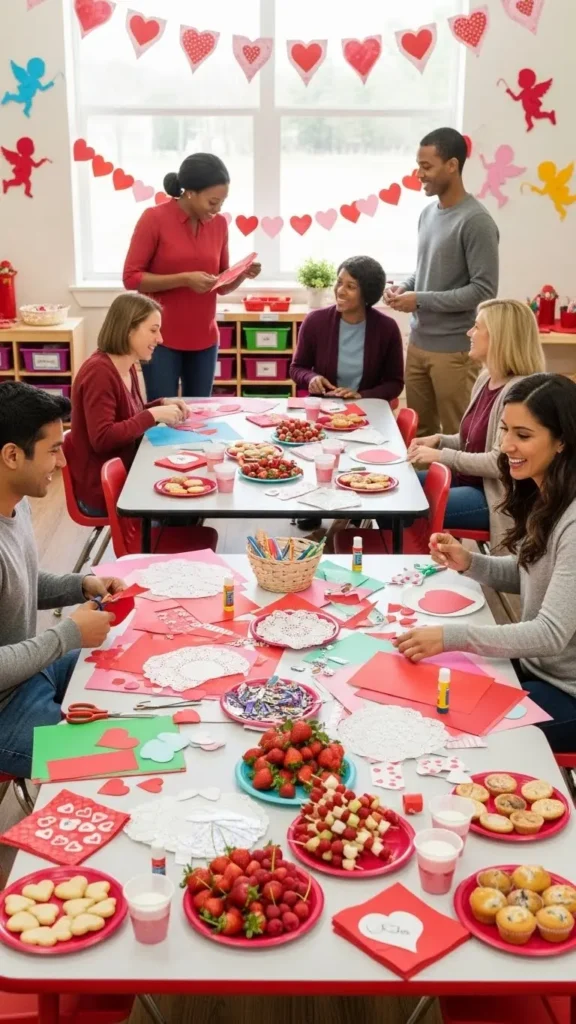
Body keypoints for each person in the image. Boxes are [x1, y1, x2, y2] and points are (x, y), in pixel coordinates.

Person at [394, 374, 576, 754]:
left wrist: (450, 638)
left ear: (562, 441)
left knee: (449, 727)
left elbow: (549, 633)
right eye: (506, 430)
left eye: (523, 436)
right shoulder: (545, 495)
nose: (506, 445)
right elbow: (530, 574)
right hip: (536, 669)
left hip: (566, 693)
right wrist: (469, 562)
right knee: (431, 693)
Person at [0, 382, 124, 778]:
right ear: (12, 455)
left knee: (127, 668)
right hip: (4, 712)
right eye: (54, 450)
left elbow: (19, 581)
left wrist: (81, 584)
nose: (63, 463)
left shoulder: (14, 508)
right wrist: (68, 634)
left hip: (27, 675)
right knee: (124, 756)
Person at [386, 127, 500, 437]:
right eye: (418, 165)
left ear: (452, 165)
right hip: (419, 343)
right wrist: (406, 288)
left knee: (458, 433)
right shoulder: (427, 214)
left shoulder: (476, 221)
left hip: (454, 351)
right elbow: (426, 269)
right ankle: (426, 488)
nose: (419, 174)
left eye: (426, 166)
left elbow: (484, 291)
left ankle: (458, 488)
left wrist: (420, 298)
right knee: (419, 434)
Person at [407, 299, 545, 550]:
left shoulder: (520, 392)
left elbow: (499, 461)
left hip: (494, 497)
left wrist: (442, 454)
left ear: (499, 337)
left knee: (407, 503)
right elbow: (473, 439)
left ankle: (410, 564)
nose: (469, 333)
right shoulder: (485, 379)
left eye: (477, 327)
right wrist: (440, 439)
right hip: (468, 481)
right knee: (400, 487)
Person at [123, 152, 261, 400]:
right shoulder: (153, 219)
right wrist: (184, 279)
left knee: (201, 415)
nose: (218, 209)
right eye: (212, 202)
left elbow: (220, 285)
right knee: (163, 414)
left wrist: (241, 275)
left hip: (205, 338)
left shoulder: (219, 225)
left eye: (222, 202)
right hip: (160, 338)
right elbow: (131, 278)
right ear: (190, 192)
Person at [67, 293, 189, 518]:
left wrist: (160, 404)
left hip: (126, 475)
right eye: (153, 330)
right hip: (103, 489)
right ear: (128, 329)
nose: (160, 339)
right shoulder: (99, 373)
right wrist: (152, 415)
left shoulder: (127, 364)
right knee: (185, 505)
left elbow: (126, 417)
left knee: (188, 491)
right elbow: (102, 438)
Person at [290, 256, 404, 401]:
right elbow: (297, 368)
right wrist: (312, 378)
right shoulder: (315, 321)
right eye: (339, 282)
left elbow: (394, 383)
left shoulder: (387, 328)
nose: (340, 291)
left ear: (367, 293)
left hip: (367, 408)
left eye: (350, 286)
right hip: (324, 407)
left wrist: (362, 396)